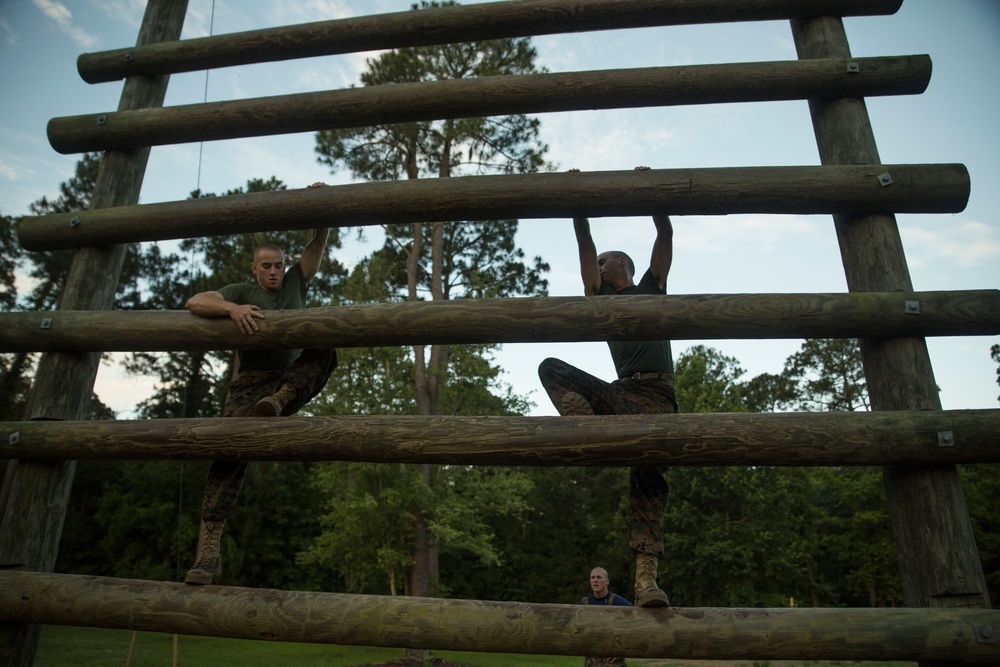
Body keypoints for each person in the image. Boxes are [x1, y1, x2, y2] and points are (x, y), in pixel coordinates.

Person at [182, 183, 337, 585]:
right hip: (249, 385)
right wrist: (231, 309)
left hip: (286, 383)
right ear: (254, 269)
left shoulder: (294, 284)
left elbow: (317, 243)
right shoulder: (241, 292)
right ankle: (208, 555)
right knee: (228, 456)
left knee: (327, 346)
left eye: (278, 264)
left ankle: (281, 400)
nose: (273, 271)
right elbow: (195, 302)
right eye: (266, 265)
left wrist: (320, 208)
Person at [539, 167, 676, 608]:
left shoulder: (653, 288)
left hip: (657, 399)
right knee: (551, 367)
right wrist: (579, 208)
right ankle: (587, 435)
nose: (598, 266)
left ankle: (645, 583)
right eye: (597, 263)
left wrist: (650, 192)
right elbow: (585, 248)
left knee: (648, 483)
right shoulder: (602, 300)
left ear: (625, 265)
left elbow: (665, 233)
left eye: (605, 261)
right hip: (619, 395)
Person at [580, 567, 632, 667]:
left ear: (607, 581)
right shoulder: (584, 603)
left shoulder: (618, 602)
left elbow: (636, 624)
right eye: (592, 577)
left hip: (613, 663)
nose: (595, 580)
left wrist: (624, 650)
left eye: (599, 577)